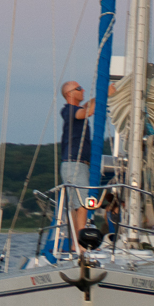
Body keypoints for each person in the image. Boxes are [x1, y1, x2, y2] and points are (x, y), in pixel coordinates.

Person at [60, 81, 96, 239]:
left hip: (72, 164)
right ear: (69, 94)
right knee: (82, 204)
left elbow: (87, 106)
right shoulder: (69, 110)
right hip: (76, 163)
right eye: (79, 89)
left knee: (76, 205)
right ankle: (81, 242)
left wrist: (99, 96)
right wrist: (106, 96)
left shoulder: (73, 109)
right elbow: (86, 112)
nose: (83, 90)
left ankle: (75, 242)